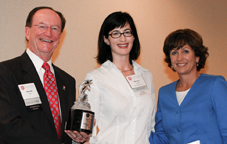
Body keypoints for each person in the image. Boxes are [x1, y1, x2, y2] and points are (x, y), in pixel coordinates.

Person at [65, 11, 156, 144]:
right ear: (106, 39)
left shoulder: (146, 76)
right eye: (115, 33)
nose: (123, 39)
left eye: (127, 32)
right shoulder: (95, 78)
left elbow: (151, 125)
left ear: (133, 37)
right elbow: (86, 132)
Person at [0, 6, 76, 144]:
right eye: (42, 26)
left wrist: (78, 136)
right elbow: (7, 124)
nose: (48, 33)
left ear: (60, 36)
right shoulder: (5, 72)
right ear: (27, 32)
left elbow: (65, 131)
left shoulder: (68, 81)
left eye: (55, 28)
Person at [149, 29, 227, 144]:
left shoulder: (215, 85)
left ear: (197, 57)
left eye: (185, 51)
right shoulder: (164, 93)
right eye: (174, 53)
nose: (179, 58)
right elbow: (162, 138)